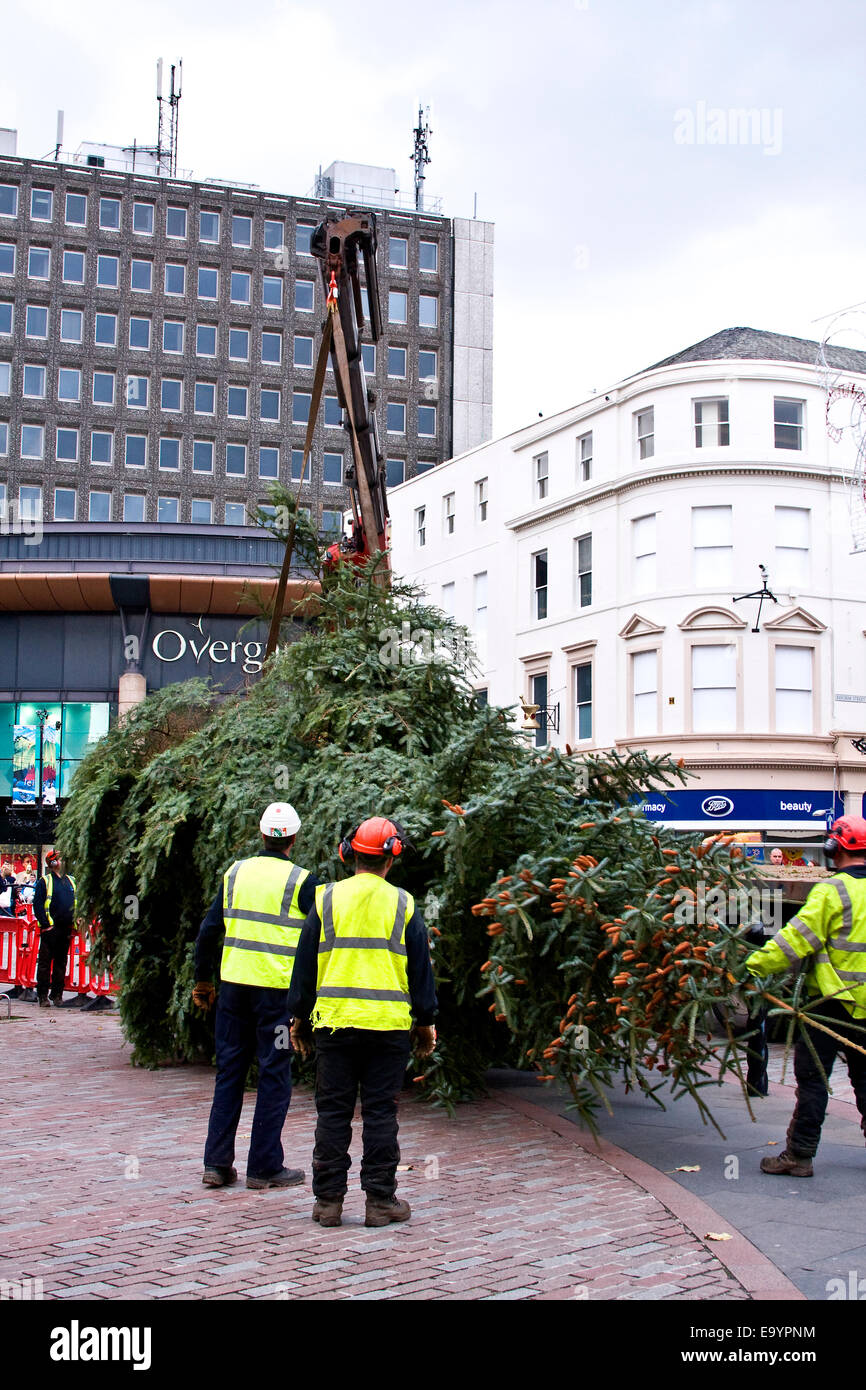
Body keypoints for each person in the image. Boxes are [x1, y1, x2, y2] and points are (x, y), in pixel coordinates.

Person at [288, 816, 438, 1229]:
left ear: (347, 853)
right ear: (392, 858)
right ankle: (379, 1201)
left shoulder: (325, 900)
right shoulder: (404, 904)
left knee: (332, 1113)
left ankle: (328, 1204)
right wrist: (425, 1021)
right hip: (388, 1027)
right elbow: (420, 970)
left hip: (334, 1025)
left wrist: (298, 1017)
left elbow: (303, 968)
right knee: (380, 1113)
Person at [193, 802, 319, 1191]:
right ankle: (263, 1167)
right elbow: (316, 944)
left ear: (261, 833)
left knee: (229, 1073)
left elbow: (208, 930)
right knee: (274, 1075)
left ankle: (216, 1165)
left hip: (233, 991)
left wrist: (203, 981)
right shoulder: (302, 881)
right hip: (276, 998)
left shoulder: (235, 873)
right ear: (293, 839)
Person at [746, 815, 866, 1176]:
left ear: (833, 849)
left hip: (828, 1004)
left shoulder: (832, 891)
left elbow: (794, 941)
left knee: (814, 1080)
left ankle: (799, 1155)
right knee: (864, 1077)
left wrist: (752, 966)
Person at [33, 851, 76, 1007]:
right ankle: (42, 995)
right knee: (45, 963)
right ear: (52, 863)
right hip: (51, 929)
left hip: (66, 928)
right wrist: (46, 925)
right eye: (60, 859)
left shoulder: (71, 881)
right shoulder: (45, 881)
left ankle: (57, 994)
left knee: (61, 962)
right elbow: (37, 905)